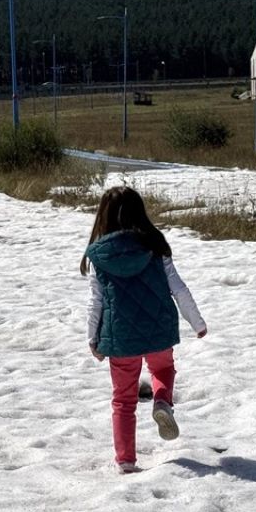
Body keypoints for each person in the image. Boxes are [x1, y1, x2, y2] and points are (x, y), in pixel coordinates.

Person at [81, 186, 206, 474]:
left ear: (103, 217)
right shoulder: (155, 246)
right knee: (162, 371)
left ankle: (126, 460)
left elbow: (96, 302)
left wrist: (93, 337)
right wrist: (197, 322)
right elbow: (178, 288)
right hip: (159, 329)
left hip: (120, 337)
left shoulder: (99, 257)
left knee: (123, 399)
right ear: (141, 212)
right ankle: (162, 401)